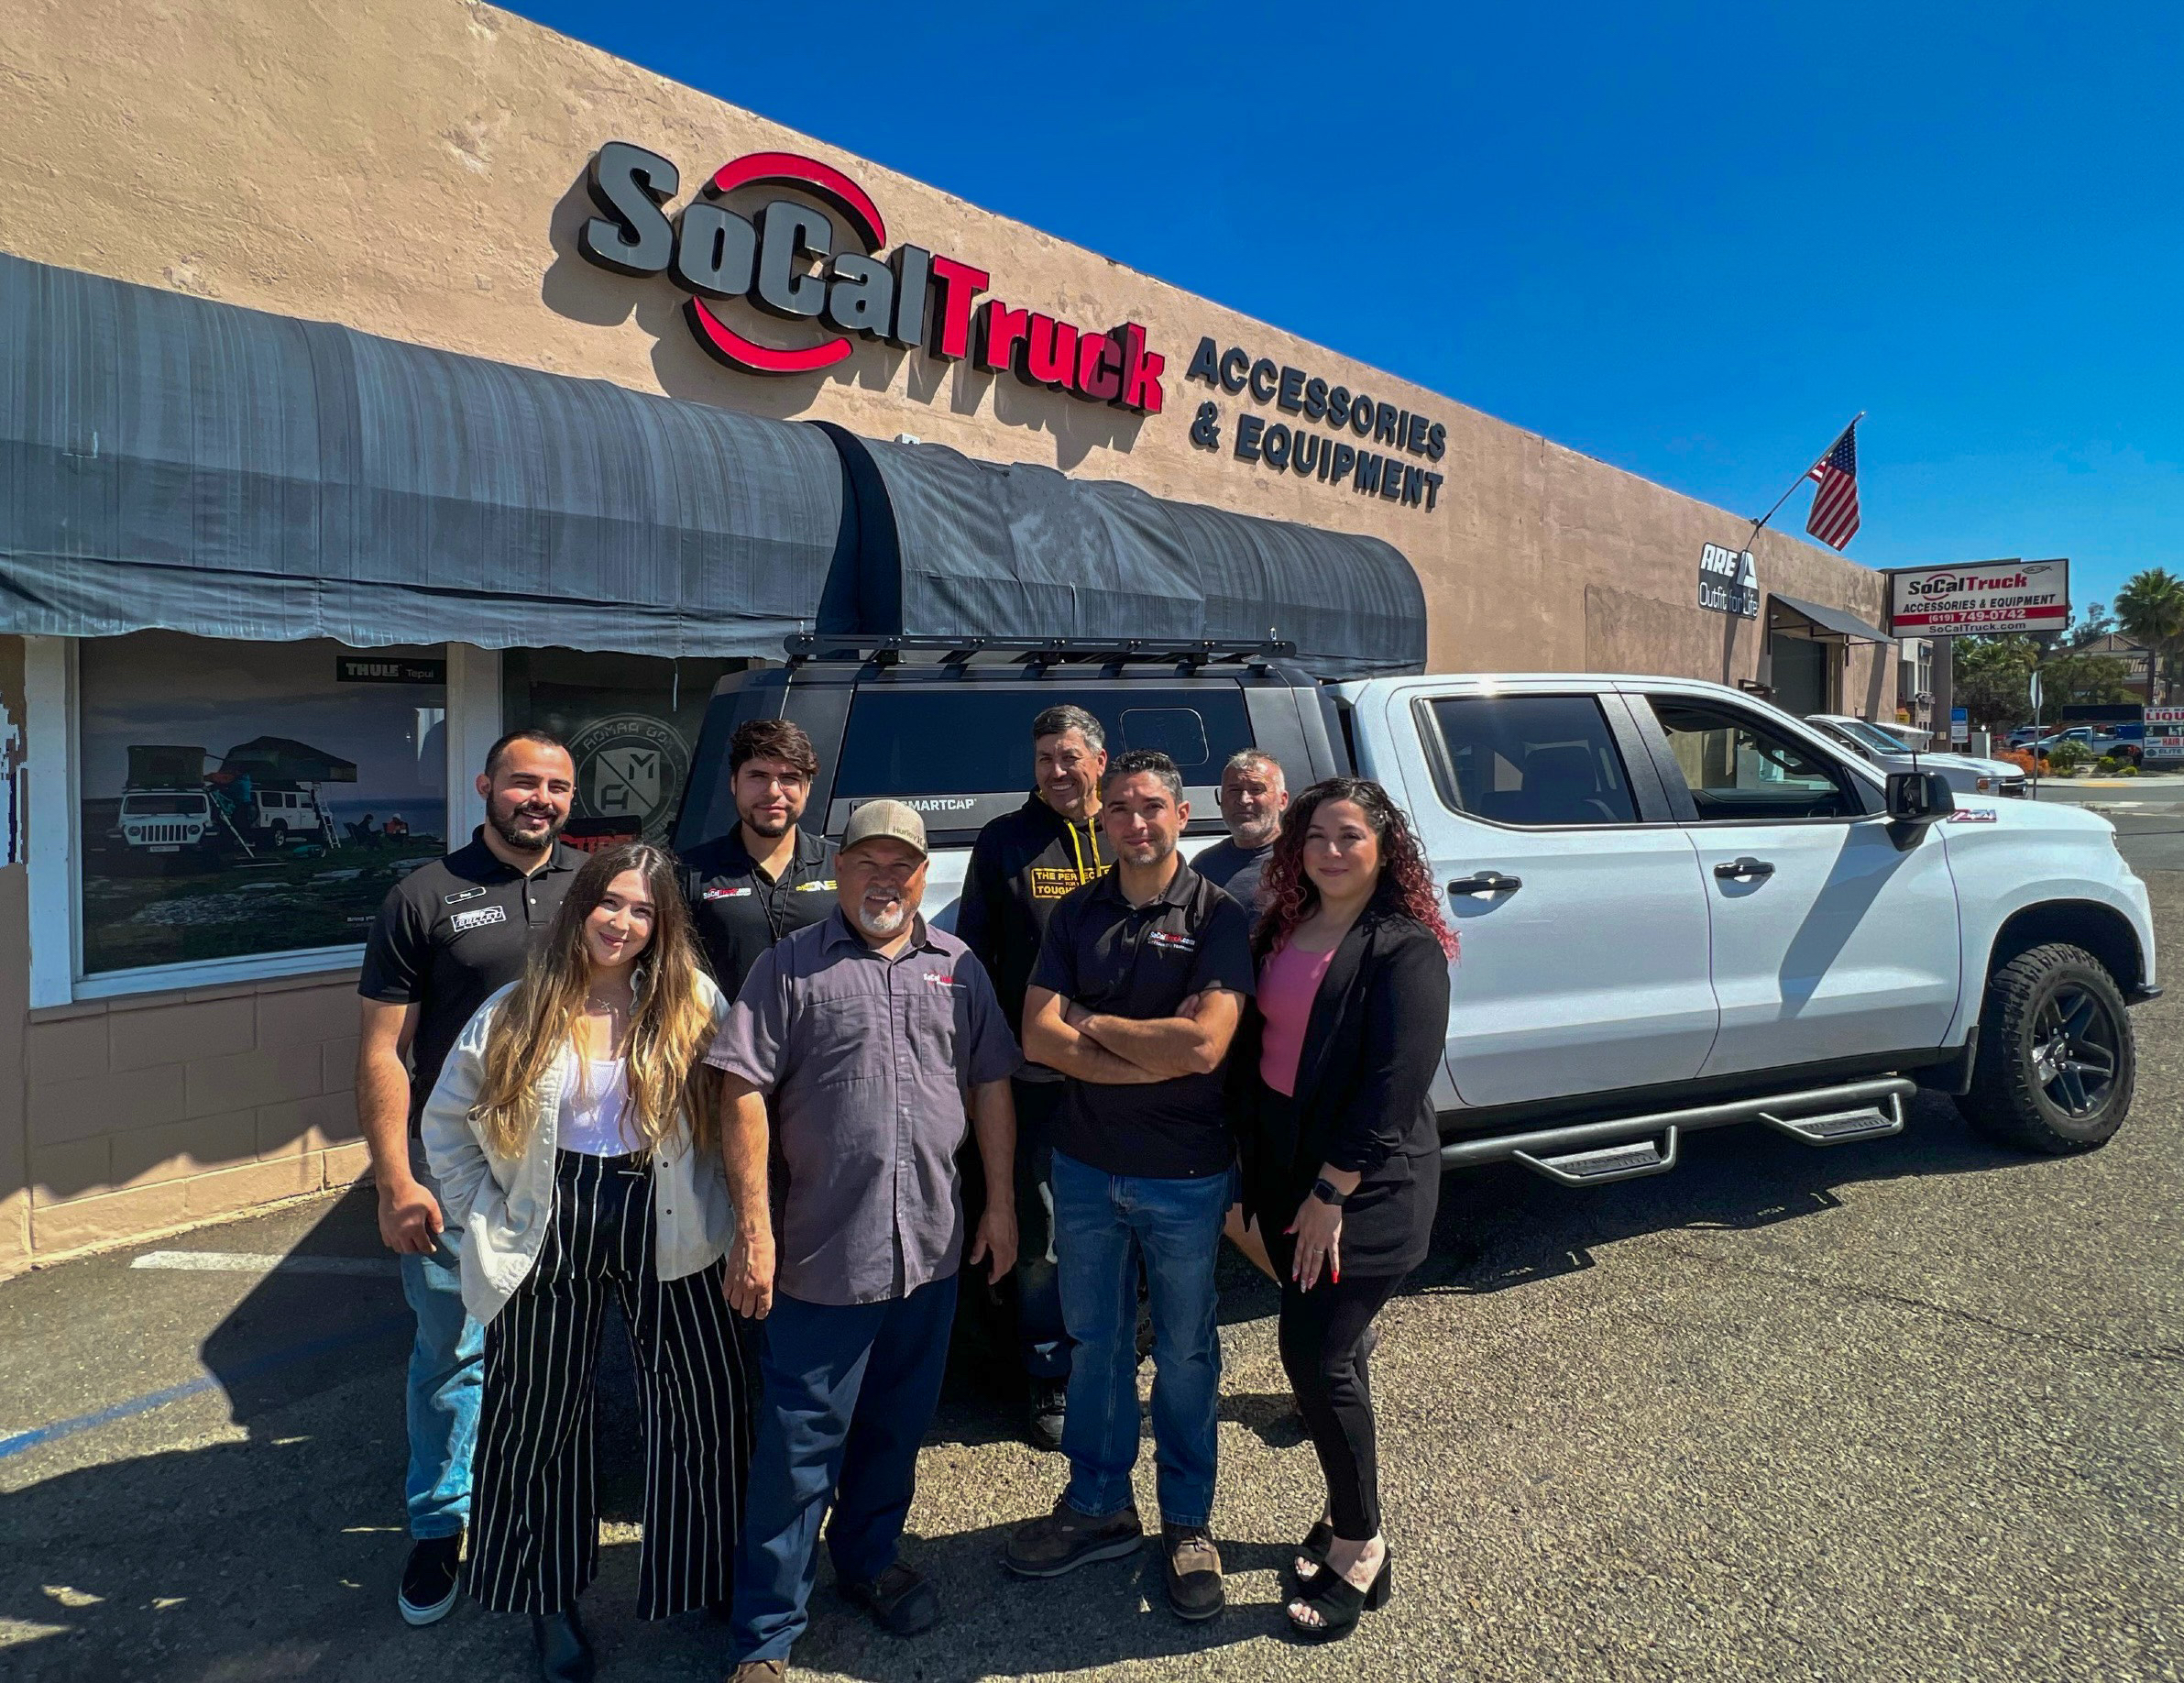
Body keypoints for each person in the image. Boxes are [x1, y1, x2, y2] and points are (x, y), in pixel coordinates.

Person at [422, 842, 746, 1682]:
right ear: (582, 907)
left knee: (702, 1401)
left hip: (667, 1210)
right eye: (611, 903)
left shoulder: (692, 1001)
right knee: (538, 1414)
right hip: (548, 1215)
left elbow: (738, 1110)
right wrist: (482, 1210)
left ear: (662, 925)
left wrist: (737, 1213)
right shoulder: (518, 1007)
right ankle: (548, 1599)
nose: (623, 923)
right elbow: (447, 1123)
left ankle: (707, 1572)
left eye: (643, 911)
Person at [712, 800, 1021, 1683]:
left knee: (895, 1428)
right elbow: (739, 1091)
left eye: (902, 867)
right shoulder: (787, 967)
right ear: (839, 870)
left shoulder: (958, 967)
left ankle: (869, 1561)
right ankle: (766, 1631)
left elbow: (991, 1084)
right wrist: (752, 1230)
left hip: (929, 1249)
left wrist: (1000, 1206)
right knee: (798, 1448)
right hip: (821, 1255)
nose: (885, 881)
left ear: (923, 877)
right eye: (867, 864)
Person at [1003, 750, 1253, 1622]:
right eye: (1118, 808)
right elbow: (1038, 1036)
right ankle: (1099, 1505)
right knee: (1094, 1345)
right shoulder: (1076, 911)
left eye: (1150, 807)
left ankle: (1188, 1522)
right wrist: (1152, 1052)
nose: (1134, 822)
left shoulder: (1218, 915)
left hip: (1184, 1173)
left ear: (1182, 815)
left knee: (1184, 1352)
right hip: (1083, 1167)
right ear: (1100, 819)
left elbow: (1206, 1045)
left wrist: (1094, 1025)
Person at [356, 730, 583, 1628]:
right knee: (451, 1353)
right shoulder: (422, 897)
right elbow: (384, 1051)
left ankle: (536, 1503)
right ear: (486, 785)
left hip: (574, 1162)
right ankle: (438, 1524)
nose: (540, 799)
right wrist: (393, 1180)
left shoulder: (594, 889)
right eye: (523, 782)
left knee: (558, 1350)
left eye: (557, 787)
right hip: (455, 1167)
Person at [1236, 777, 1454, 1642]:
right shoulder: (1283, 929)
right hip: (1290, 1179)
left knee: (1317, 1358)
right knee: (1329, 1359)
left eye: (1350, 836)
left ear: (1384, 847)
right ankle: (1346, 1517)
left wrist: (1331, 1191)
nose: (1331, 851)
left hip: (1364, 1188)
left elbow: (1392, 1086)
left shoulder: (1404, 949)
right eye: (1316, 835)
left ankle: (1360, 1542)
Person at [956, 704, 1110, 1450]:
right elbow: (976, 957)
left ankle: (1111, 1352)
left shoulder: (1127, 831)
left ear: (1099, 762)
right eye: (1045, 757)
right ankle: (1047, 1370)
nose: (1056, 770)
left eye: (1069, 756)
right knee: (1042, 1234)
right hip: (1036, 1077)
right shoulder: (1004, 841)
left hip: (1124, 1075)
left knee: (1123, 1221)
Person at [680, 719, 840, 999]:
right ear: (734, 783)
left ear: (807, 788)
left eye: (789, 778)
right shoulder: (687, 873)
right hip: (725, 1027)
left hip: (825, 1028)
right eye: (758, 776)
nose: (773, 791)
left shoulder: (842, 865)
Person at [1193, 749, 1289, 914]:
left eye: (1256, 789)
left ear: (1282, 800)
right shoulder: (1203, 867)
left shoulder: (1304, 860)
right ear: (1220, 799)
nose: (1244, 800)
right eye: (1234, 790)